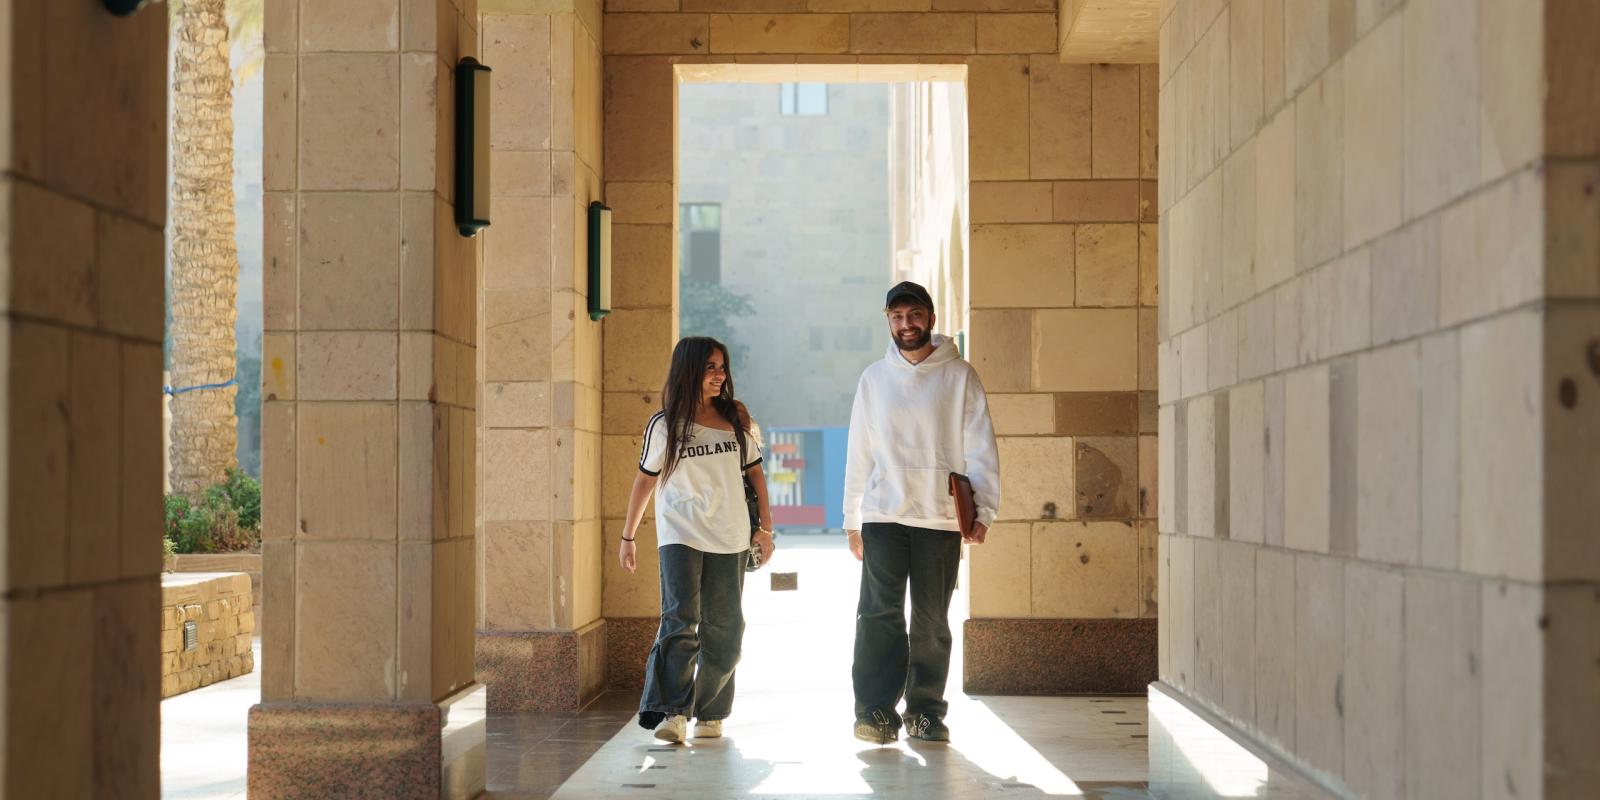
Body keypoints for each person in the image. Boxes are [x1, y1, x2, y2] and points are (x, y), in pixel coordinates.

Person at [843, 281, 1001, 745]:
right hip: (883, 516)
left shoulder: (960, 375)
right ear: (888, 322)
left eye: (914, 315)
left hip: (939, 519)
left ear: (930, 318)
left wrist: (984, 511)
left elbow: (981, 445)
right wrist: (852, 519)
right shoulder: (874, 378)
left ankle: (925, 712)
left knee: (931, 621)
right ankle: (874, 711)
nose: (906, 324)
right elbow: (859, 451)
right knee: (878, 616)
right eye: (896, 317)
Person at [619, 336, 775, 743]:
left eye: (722, 367)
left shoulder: (735, 420)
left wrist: (766, 529)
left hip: (730, 535)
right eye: (710, 367)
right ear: (688, 370)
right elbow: (644, 481)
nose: (719, 375)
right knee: (680, 620)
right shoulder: (664, 424)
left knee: (725, 628)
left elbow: (756, 475)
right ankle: (673, 713)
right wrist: (628, 536)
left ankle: (711, 712)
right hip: (681, 533)